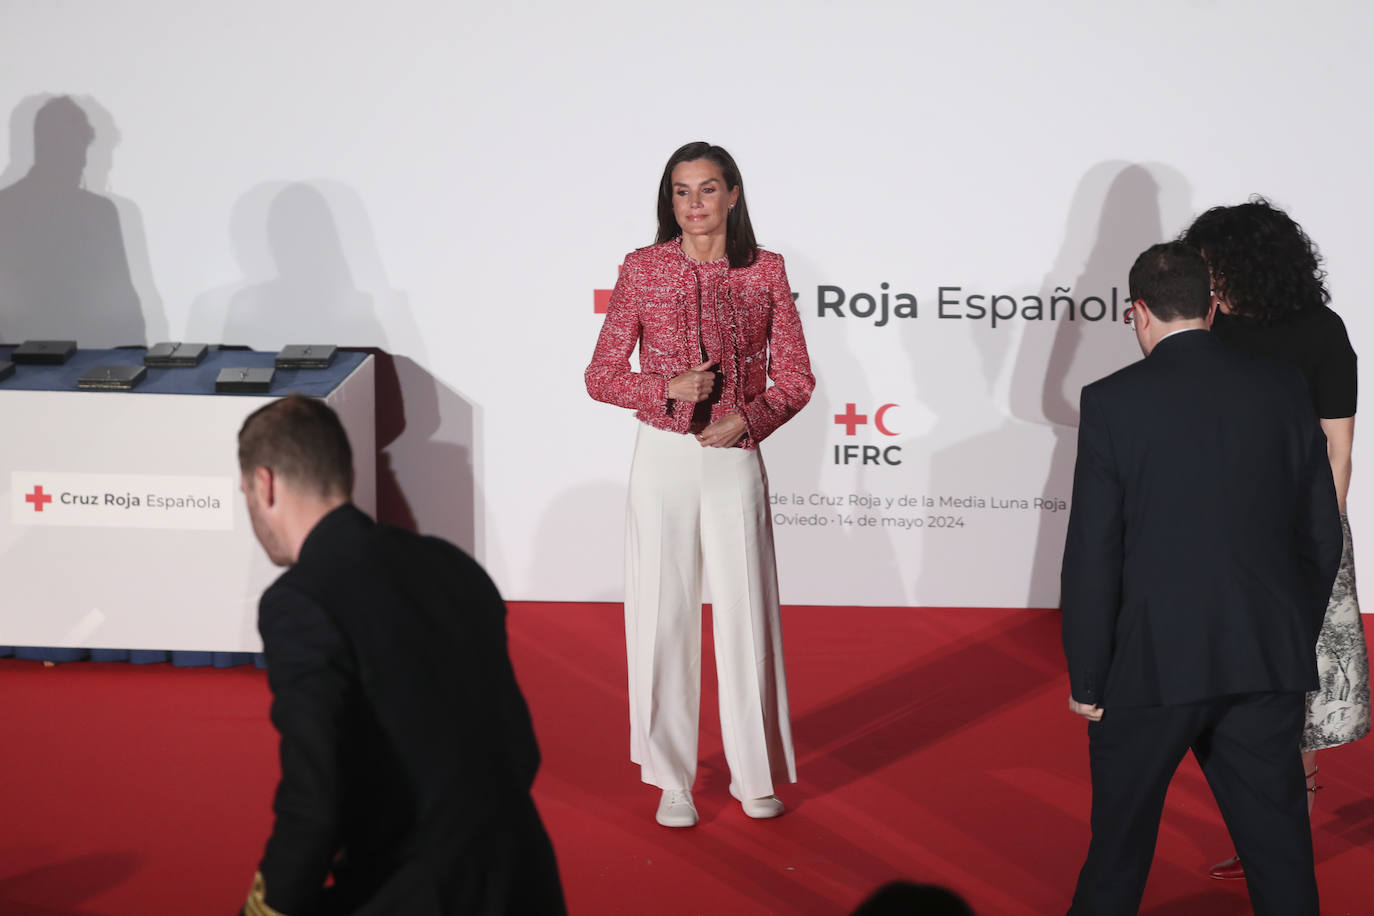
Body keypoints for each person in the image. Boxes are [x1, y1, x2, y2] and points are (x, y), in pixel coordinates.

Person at [1060, 242, 1342, 914]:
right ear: (1212, 306)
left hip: (1152, 665)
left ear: (1137, 313)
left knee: (1117, 855)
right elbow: (1323, 530)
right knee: (1280, 856)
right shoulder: (1280, 387)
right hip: (1264, 657)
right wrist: (1287, 635)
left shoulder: (1111, 402)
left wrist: (1089, 676)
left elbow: (1094, 549)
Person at [237, 395, 565, 915]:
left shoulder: (300, 601)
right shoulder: (451, 565)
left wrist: (266, 909)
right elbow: (519, 749)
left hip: (410, 893)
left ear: (264, 484)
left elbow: (315, 802)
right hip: (526, 882)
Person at [586, 141, 813, 828]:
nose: (694, 204)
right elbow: (600, 375)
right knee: (664, 616)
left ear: (733, 194)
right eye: (682, 192)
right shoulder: (643, 269)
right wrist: (667, 388)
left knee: (746, 615)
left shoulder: (763, 271)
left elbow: (797, 378)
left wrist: (749, 418)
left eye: (708, 189)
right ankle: (672, 779)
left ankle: (754, 776)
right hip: (661, 457)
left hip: (733, 455)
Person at [1180, 198, 1370, 880]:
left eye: (1213, 266)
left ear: (1247, 265)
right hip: (1215, 528)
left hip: (1297, 532)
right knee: (1229, 683)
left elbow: (1337, 449)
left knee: (1297, 693)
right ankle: (1266, 830)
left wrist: (1316, 538)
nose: (1206, 280)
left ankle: (1284, 835)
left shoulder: (1321, 331)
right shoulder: (1206, 329)